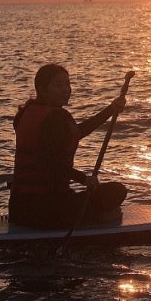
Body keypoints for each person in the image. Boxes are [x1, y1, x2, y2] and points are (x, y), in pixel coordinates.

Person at [9, 63, 128, 229]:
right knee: (117, 191)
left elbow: (75, 133)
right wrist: (84, 179)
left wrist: (110, 110)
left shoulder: (26, 112)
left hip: (18, 209)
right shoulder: (56, 117)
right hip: (48, 211)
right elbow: (50, 163)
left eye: (67, 84)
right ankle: (94, 218)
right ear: (42, 90)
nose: (66, 90)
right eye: (59, 85)